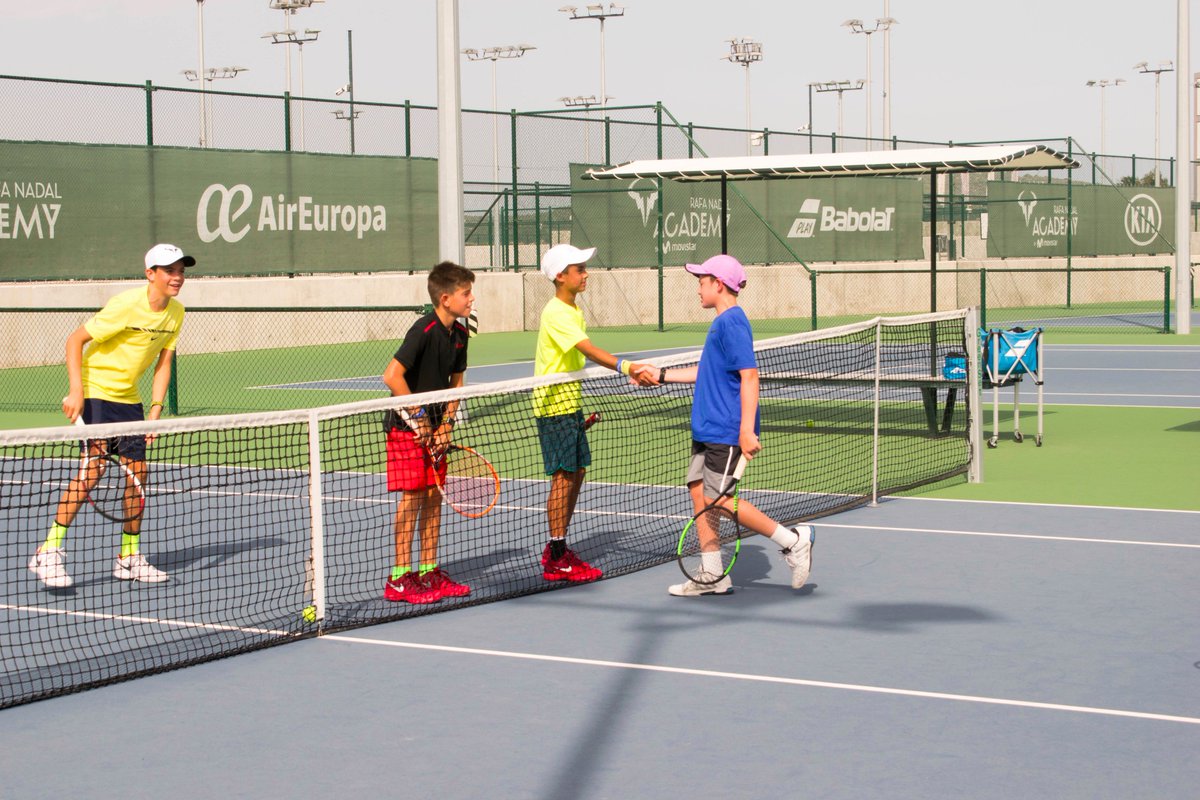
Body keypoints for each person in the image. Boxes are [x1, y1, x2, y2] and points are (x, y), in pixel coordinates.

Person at [29, 243, 193, 589]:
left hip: (129, 400)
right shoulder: (125, 305)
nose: (177, 277)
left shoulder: (176, 312)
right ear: (150, 274)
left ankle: (128, 557)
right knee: (94, 469)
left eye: (180, 271)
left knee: (138, 476)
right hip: (96, 391)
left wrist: (155, 411)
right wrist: (77, 391)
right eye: (169, 271)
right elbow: (75, 340)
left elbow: (164, 363)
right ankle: (48, 551)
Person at [658, 254, 815, 597]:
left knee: (720, 501)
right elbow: (705, 372)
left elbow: (750, 375)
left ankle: (793, 541)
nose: (698, 289)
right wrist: (661, 375)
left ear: (718, 284)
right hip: (706, 428)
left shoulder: (732, 322)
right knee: (699, 492)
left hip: (725, 429)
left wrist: (746, 430)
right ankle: (712, 574)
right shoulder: (720, 323)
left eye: (702, 282)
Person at [533, 243, 655, 583]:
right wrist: (628, 367)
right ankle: (557, 554)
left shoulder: (572, 309)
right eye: (579, 269)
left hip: (569, 404)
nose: (586, 274)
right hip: (554, 407)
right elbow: (587, 350)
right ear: (561, 276)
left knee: (577, 472)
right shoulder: (556, 313)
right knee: (563, 476)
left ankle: (557, 546)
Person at [381, 261, 476, 604]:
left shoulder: (461, 335)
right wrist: (419, 417)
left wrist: (446, 426)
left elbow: (456, 384)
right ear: (446, 298)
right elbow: (392, 376)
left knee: (434, 496)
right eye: (466, 293)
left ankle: (428, 570)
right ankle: (399, 578)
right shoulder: (422, 330)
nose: (471, 299)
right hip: (405, 429)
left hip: (436, 432)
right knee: (413, 498)